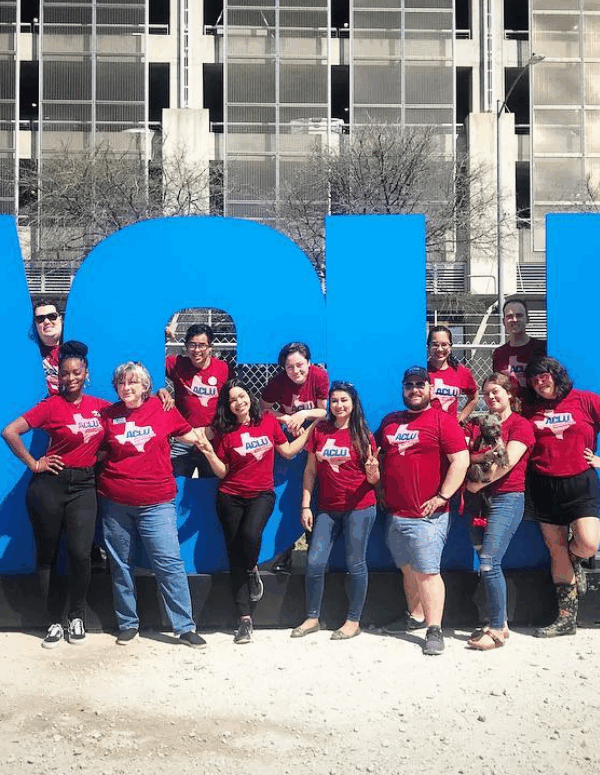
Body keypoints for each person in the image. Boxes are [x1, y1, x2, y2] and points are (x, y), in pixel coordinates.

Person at [1, 341, 109, 648]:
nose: (71, 378)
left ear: (86, 373)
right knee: (47, 556)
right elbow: (9, 431)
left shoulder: (101, 407)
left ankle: (76, 616)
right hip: (50, 486)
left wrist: (163, 394)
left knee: (79, 554)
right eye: (65, 373)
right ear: (58, 376)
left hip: (85, 486)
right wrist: (34, 463)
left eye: (77, 372)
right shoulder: (50, 405)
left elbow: (126, 422)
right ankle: (53, 622)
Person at [194, 379, 316, 644]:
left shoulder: (269, 422)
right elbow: (223, 472)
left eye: (242, 396)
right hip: (229, 496)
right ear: (228, 406)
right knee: (234, 554)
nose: (239, 402)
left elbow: (287, 451)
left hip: (261, 494)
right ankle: (244, 620)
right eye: (233, 400)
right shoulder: (225, 432)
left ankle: (252, 569)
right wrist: (208, 452)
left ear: (250, 397)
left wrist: (312, 430)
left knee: (249, 536)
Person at [97, 361, 207, 648]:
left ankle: (184, 627)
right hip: (115, 502)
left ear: (146, 387)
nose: (127, 387)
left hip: (157, 502)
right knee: (120, 565)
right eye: (122, 382)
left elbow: (190, 435)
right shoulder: (108, 415)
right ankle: (127, 623)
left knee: (169, 563)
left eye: (133, 382)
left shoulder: (163, 409)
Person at [377, 367, 469, 655]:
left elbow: (461, 461)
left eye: (420, 384)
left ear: (430, 389)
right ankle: (416, 618)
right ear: (403, 389)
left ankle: (434, 629)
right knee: (408, 570)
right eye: (409, 385)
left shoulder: (443, 420)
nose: (414, 389)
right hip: (395, 513)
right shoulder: (390, 421)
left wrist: (443, 496)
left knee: (428, 573)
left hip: (427, 516)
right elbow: (374, 454)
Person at [291, 381, 380, 640]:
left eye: (344, 400)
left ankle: (353, 622)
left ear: (353, 404)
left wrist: (374, 472)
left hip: (360, 507)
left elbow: (374, 480)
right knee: (315, 562)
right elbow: (310, 471)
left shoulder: (363, 434)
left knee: (355, 563)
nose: (339, 405)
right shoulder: (321, 430)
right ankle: (312, 618)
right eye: (334, 400)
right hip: (326, 509)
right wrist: (306, 504)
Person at [524, 356, 600, 638]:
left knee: (589, 543)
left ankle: (575, 558)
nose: (539, 381)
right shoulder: (531, 409)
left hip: (580, 483)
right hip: (544, 485)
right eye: (533, 379)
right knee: (554, 548)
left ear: (556, 375)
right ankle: (566, 620)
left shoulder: (586, 400)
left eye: (544, 375)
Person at [464, 373, 535, 650]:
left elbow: (507, 464)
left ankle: (497, 629)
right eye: (486, 393)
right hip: (479, 502)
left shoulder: (521, 425)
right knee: (485, 560)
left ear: (509, 394)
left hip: (507, 499)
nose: (491, 397)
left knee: (490, 562)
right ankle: (500, 621)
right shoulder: (479, 425)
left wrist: (474, 483)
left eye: (496, 392)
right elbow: (467, 455)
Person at [158, 323, 232, 477]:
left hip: (212, 435)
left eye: (202, 345)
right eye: (192, 345)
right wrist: (160, 388)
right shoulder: (178, 364)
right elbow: (150, 365)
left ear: (210, 347)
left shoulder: (223, 368)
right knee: (170, 477)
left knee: (213, 482)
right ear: (186, 346)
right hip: (184, 435)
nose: (197, 350)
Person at [261, 342, 328, 437]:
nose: (296, 371)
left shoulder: (319, 376)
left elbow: (322, 412)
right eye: (290, 367)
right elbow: (263, 409)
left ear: (308, 362)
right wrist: (288, 419)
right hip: (287, 423)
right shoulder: (278, 381)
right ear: (284, 368)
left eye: (299, 365)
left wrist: (302, 414)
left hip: (312, 421)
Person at [492, 298, 546, 400]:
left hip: (537, 410)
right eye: (509, 316)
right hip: (511, 412)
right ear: (504, 322)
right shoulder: (499, 353)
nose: (514, 320)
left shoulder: (542, 348)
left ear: (528, 319)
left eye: (519, 315)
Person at [427, 325, 478, 423]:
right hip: (427, 428)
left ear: (450, 346)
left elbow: (474, 398)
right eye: (435, 345)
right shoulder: (422, 372)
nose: (440, 349)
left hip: (450, 429)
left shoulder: (461, 372)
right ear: (428, 347)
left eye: (444, 344)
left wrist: (460, 418)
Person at [31, 298, 63, 395]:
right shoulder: (30, 355)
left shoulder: (75, 350)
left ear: (61, 319)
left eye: (52, 316)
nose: (47, 321)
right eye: (40, 319)